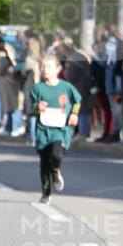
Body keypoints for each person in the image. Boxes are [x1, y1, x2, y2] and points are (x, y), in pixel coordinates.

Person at [30, 54, 81, 204]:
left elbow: (77, 101)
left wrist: (74, 114)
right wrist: (37, 107)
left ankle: (55, 170)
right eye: (43, 66)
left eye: (49, 66)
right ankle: (45, 193)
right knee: (44, 160)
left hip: (60, 129)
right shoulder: (37, 88)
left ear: (57, 69)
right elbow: (32, 107)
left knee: (57, 155)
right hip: (43, 129)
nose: (45, 69)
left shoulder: (66, 87)